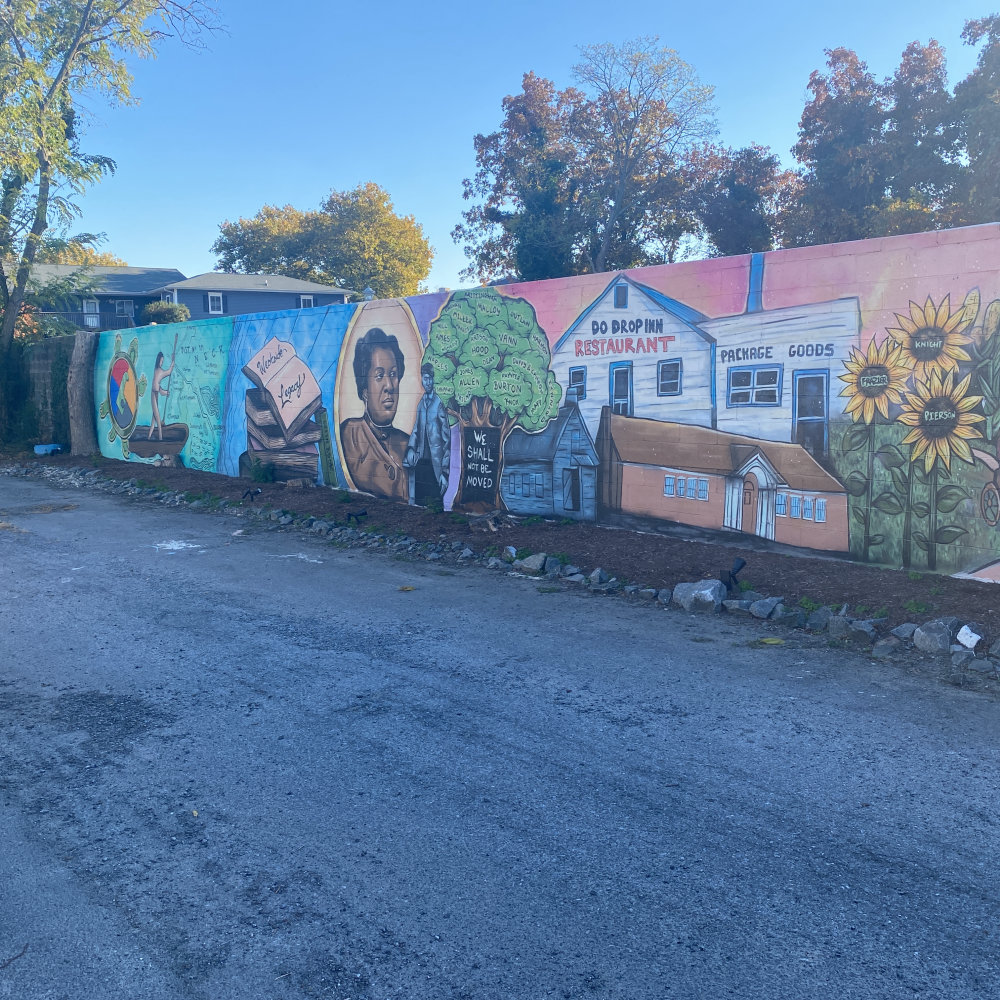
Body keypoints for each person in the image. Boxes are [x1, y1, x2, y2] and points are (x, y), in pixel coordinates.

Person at [339, 327, 410, 500]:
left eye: (393, 374)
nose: (389, 386)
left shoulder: (407, 442)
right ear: (364, 390)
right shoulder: (351, 434)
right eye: (379, 376)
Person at [404, 363, 450, 505]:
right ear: (421, 380)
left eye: (430, 378)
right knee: (419, 502)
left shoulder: (438, 404)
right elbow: (416, 431)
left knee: (435, 503)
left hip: (435, 463)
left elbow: (447, 441)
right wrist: (411, 448)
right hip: (421, 462)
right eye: (425, 379)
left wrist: (445, 472)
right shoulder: (420, 405)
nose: (428, 382)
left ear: (433, 379)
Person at [148, 333, 178, 440]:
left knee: (153, 420)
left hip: (155, 393)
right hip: (153, 394)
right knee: (158, 419)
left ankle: (148, 438)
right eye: (161, 360)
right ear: (158, 360)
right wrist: (172, 363)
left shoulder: (157, 370)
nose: (162, 362)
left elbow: (158, 387)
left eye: (163, 361)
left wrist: (164, 392)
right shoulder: (159, 371)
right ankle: (160, 439)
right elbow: (169, 372)